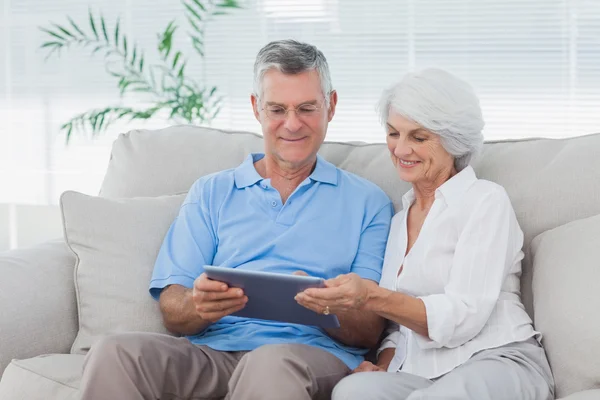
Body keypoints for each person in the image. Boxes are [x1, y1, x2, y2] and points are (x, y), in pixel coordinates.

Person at [78, 39, 394, 400]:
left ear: (331, 106)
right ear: (256, 108)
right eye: (277, 109)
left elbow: (370, 330)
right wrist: (198, 304)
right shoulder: (211, 192)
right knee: (115, 352)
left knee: (271, 363)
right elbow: (173, 307)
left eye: (307, 108)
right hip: (215, 354)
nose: (292, 124)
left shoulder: (368, 202)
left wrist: (323, 305)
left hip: (309, 357)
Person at [295, 68, 555, 400]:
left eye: (418, 137)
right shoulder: (398, 221)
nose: (401, 150)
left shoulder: (485, 201)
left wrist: (371, 297)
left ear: (454, 140)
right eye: (393, 134)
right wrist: (383, 365)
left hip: (498, 359)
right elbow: (396, 330)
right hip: (424, 375)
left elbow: (464, 315)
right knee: (353, 391)